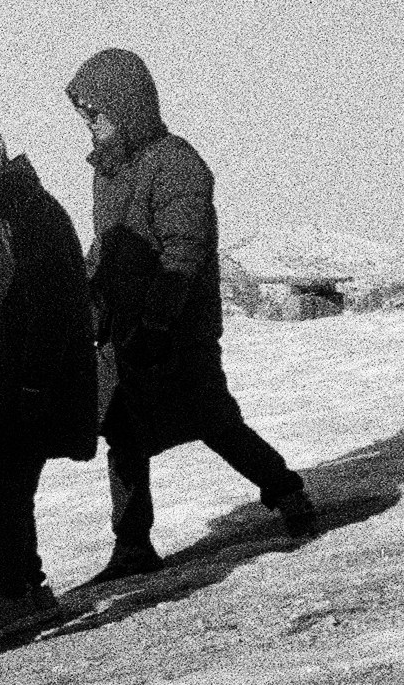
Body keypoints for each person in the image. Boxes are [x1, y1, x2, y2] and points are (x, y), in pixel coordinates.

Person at [68, 49, 317, 578]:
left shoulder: (177, 163)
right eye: (84, 114)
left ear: (126, 106)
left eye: (97, 111)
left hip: (177, 330)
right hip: (125, 332)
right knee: (123, 432)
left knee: (214, 421)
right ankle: (132, 546)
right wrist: (87, 301)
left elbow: (184, 250)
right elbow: (106, 248)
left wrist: (158, 322)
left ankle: (286, 491)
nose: (90, 123)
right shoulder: (110, 171)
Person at [0, 123, 99, 645]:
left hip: (33, 374)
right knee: (7, 479)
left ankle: (12, 595)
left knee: (0, 478)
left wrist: (33, 383)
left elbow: (49, 308)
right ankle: (29, 590)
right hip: (27, 371)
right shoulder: (22, 208)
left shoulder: (24, 216)